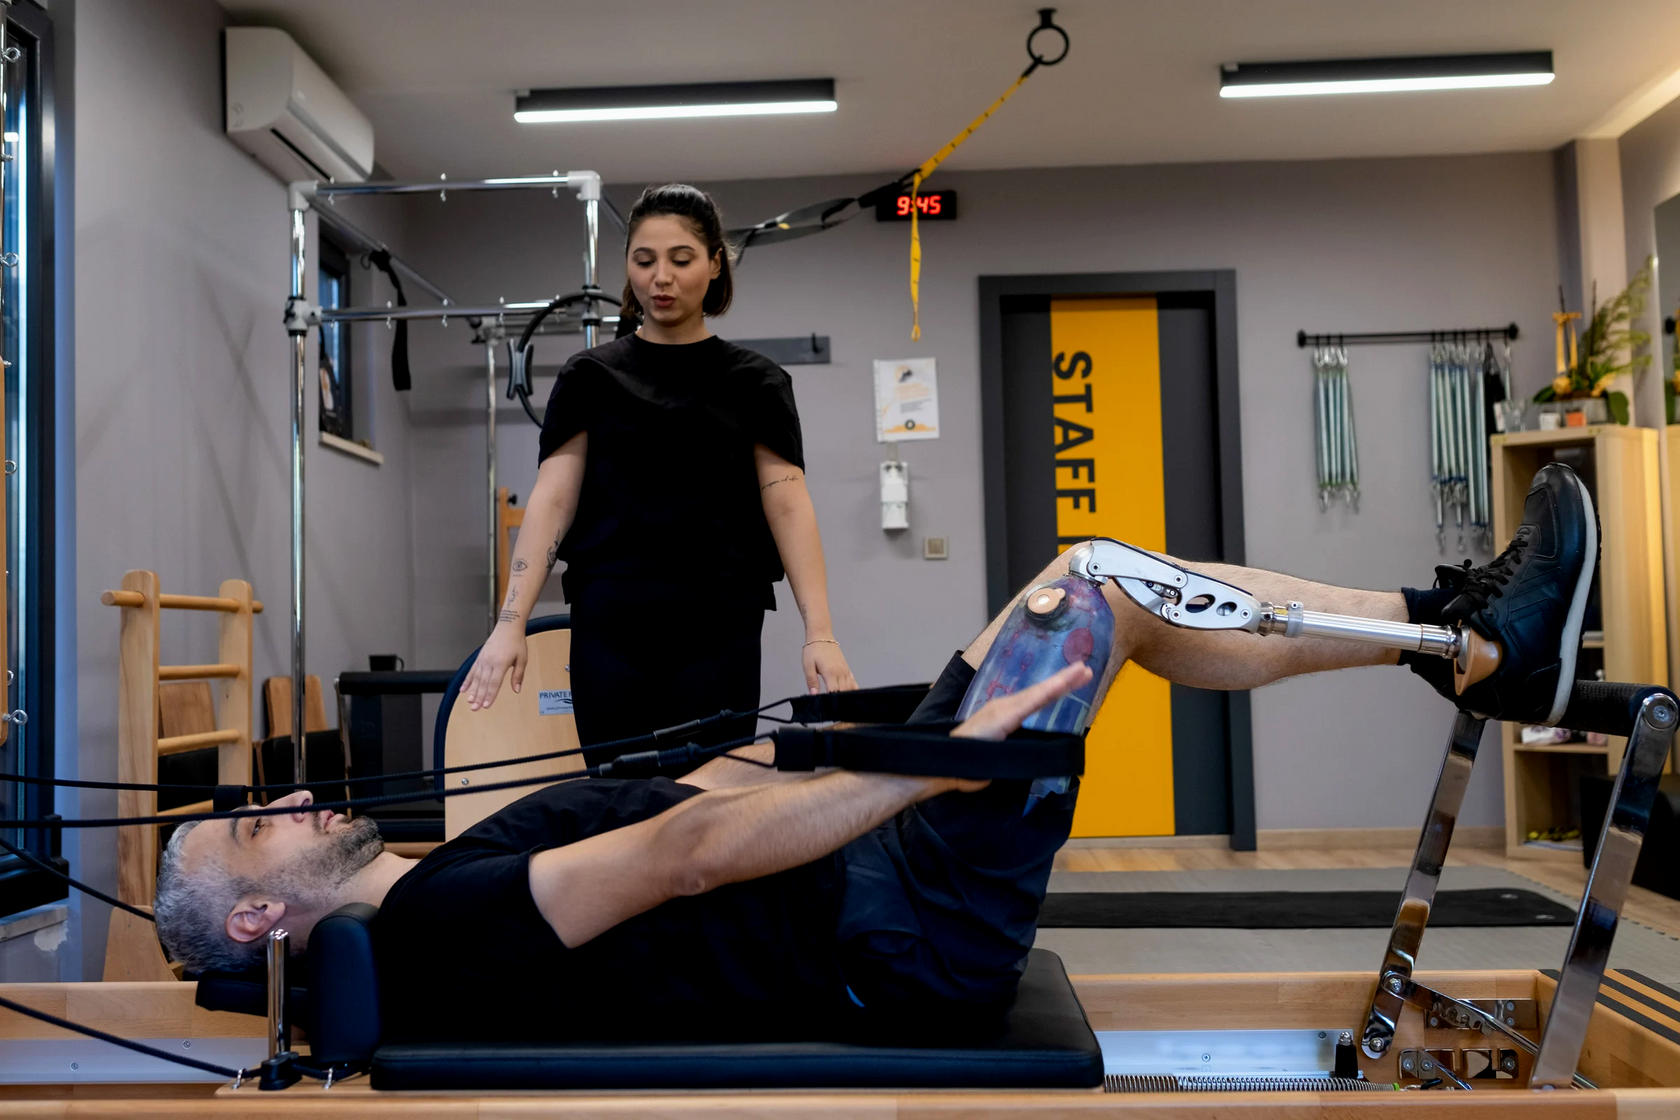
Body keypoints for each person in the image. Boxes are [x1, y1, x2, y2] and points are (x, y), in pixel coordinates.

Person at [153, 465, 1596, 1042]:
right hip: (898, 931)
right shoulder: (437, 922)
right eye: (257, 831)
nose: (286, 797)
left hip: (873, 860)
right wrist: (940, 759)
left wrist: (840, 745)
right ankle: (1469, 644)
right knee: (1092, 586)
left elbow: (692, 800)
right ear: (268, 915)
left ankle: (1460, 634)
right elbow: (683, 855)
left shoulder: (441, 874)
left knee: (1093, 594)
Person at [459, 183, 857, 760]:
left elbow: (788, 504)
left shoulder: (756, 382)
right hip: (612, 621)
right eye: (644, 261)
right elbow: (552, 500)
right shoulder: (589, 378)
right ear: (628, 268)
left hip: (720, 622)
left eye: (681, 259)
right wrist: (509, 622)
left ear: (715, 264)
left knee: (704, 807)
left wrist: (819, 632)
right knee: (619, 805)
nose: (660, 277)